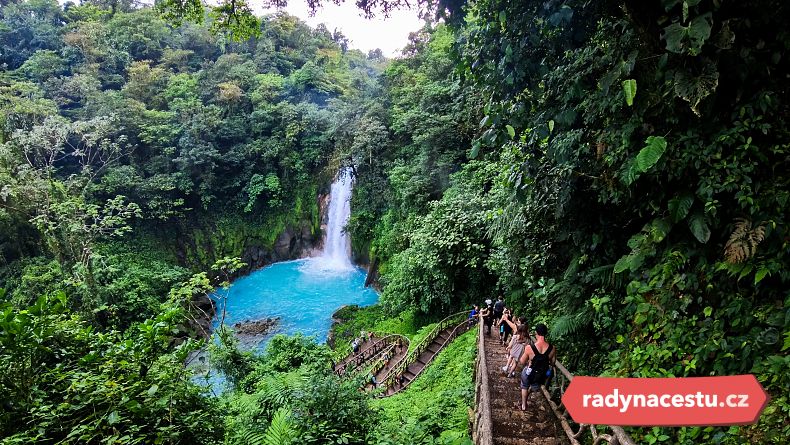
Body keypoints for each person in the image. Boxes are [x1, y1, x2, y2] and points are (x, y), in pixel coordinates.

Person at [516, 323, 556, 411]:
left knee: (524, 386)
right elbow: (552, 363)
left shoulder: (529, 347)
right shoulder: (552, 348)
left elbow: (522, 361)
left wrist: (530, 360)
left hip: (529, 372)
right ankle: (532, 389)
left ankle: (523, 405)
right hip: (541, 374)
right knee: (534, 385)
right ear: (545, 333)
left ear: (536, 333)